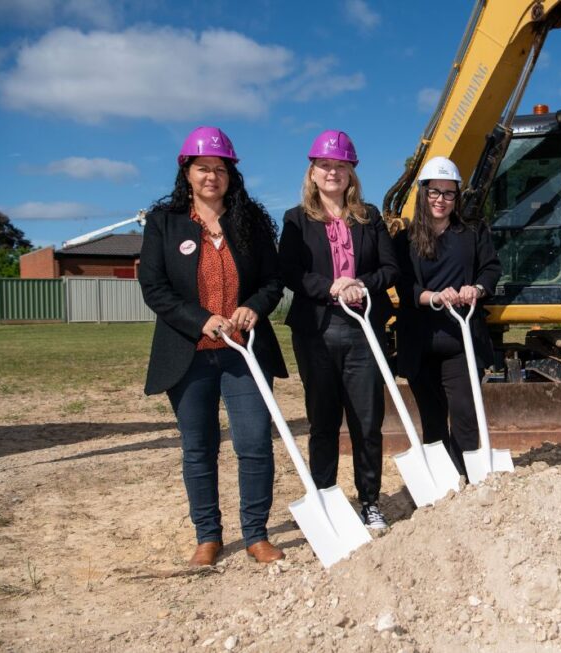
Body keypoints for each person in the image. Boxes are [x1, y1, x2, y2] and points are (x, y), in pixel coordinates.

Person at [139, 126, 288, 566]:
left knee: (255, 442)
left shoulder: (252, 222)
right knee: (199, 448)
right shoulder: (164, 223)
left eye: (219, 169)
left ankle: (256, 534)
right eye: (202, 168)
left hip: (244, 353)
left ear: (231, 174)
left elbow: (273, 280)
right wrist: (201, 320)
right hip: (189, 356)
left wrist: (254, 308)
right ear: (186, 171)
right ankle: (208, 537)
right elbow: (154, 287)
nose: (211, 177)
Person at [278, 130, 399, 530]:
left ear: (351, 174)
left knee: (367, 421)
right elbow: (290, 272)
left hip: (364, 331)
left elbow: (390, 268)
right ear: (312, 173)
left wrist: (360, 284)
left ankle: (370, 501)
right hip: (317, 330)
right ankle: (325, 498)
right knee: (323, 421)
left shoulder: (370, 217)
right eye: (325, 165)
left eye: (341, 166)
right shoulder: (296, 220)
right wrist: (329, 286)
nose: (333, 172)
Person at [392, 156, 501, 477]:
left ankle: (465, 480)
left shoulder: (473, 233)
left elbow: (491, 268)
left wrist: (477, 289)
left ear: (458, 196)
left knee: (466, 416)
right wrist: (434, 297)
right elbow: (403, 284)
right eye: (434, 192)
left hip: (461, 340)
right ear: (422, 194)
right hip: (420, 341)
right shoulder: (405, 238)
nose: (441, 200)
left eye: (449, 193)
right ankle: (442, 483)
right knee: (433, 420)